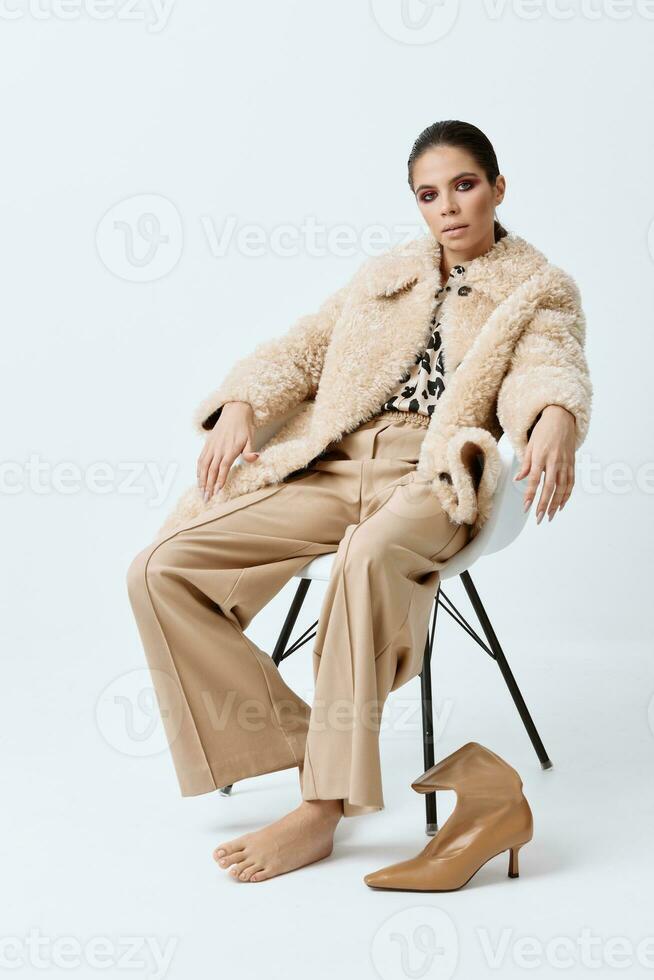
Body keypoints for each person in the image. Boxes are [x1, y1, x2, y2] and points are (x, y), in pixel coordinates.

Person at [126, 119, 592, 884]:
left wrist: (556, 418)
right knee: (159, 570)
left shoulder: (538, 288)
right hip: (337, 459)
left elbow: (550, 362)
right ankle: (314, 742)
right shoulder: (385, 275)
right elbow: (303, 348)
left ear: (498, 188)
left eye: (465, 186)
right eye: (429, 194)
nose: (448, 207)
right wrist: (241, 402)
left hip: (435, 469)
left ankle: (322, 808)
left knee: (367, 556)